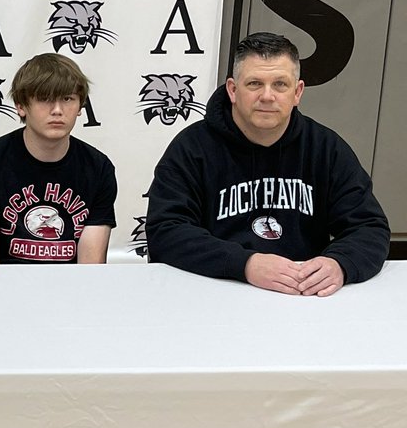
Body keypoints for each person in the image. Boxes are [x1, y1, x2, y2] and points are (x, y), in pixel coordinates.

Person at [147, 32, 389, 296]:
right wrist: (244, 263)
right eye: (254, 83)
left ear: (297, 92)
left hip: (301, 296)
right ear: (232, 90)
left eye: (280, 85)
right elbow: (165, 231)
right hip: (213, 291)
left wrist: (340, 263)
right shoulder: (191, 148)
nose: (267, 96)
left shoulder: (325, 148)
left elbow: (369, 227)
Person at [0, 54, 117, 264]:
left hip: (71, 289)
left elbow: (90, 268)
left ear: (80, 106)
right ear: (21, 106)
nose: (57, 110)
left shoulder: (98, 168)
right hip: (6, 288)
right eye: (45, 99)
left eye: (68, 99)